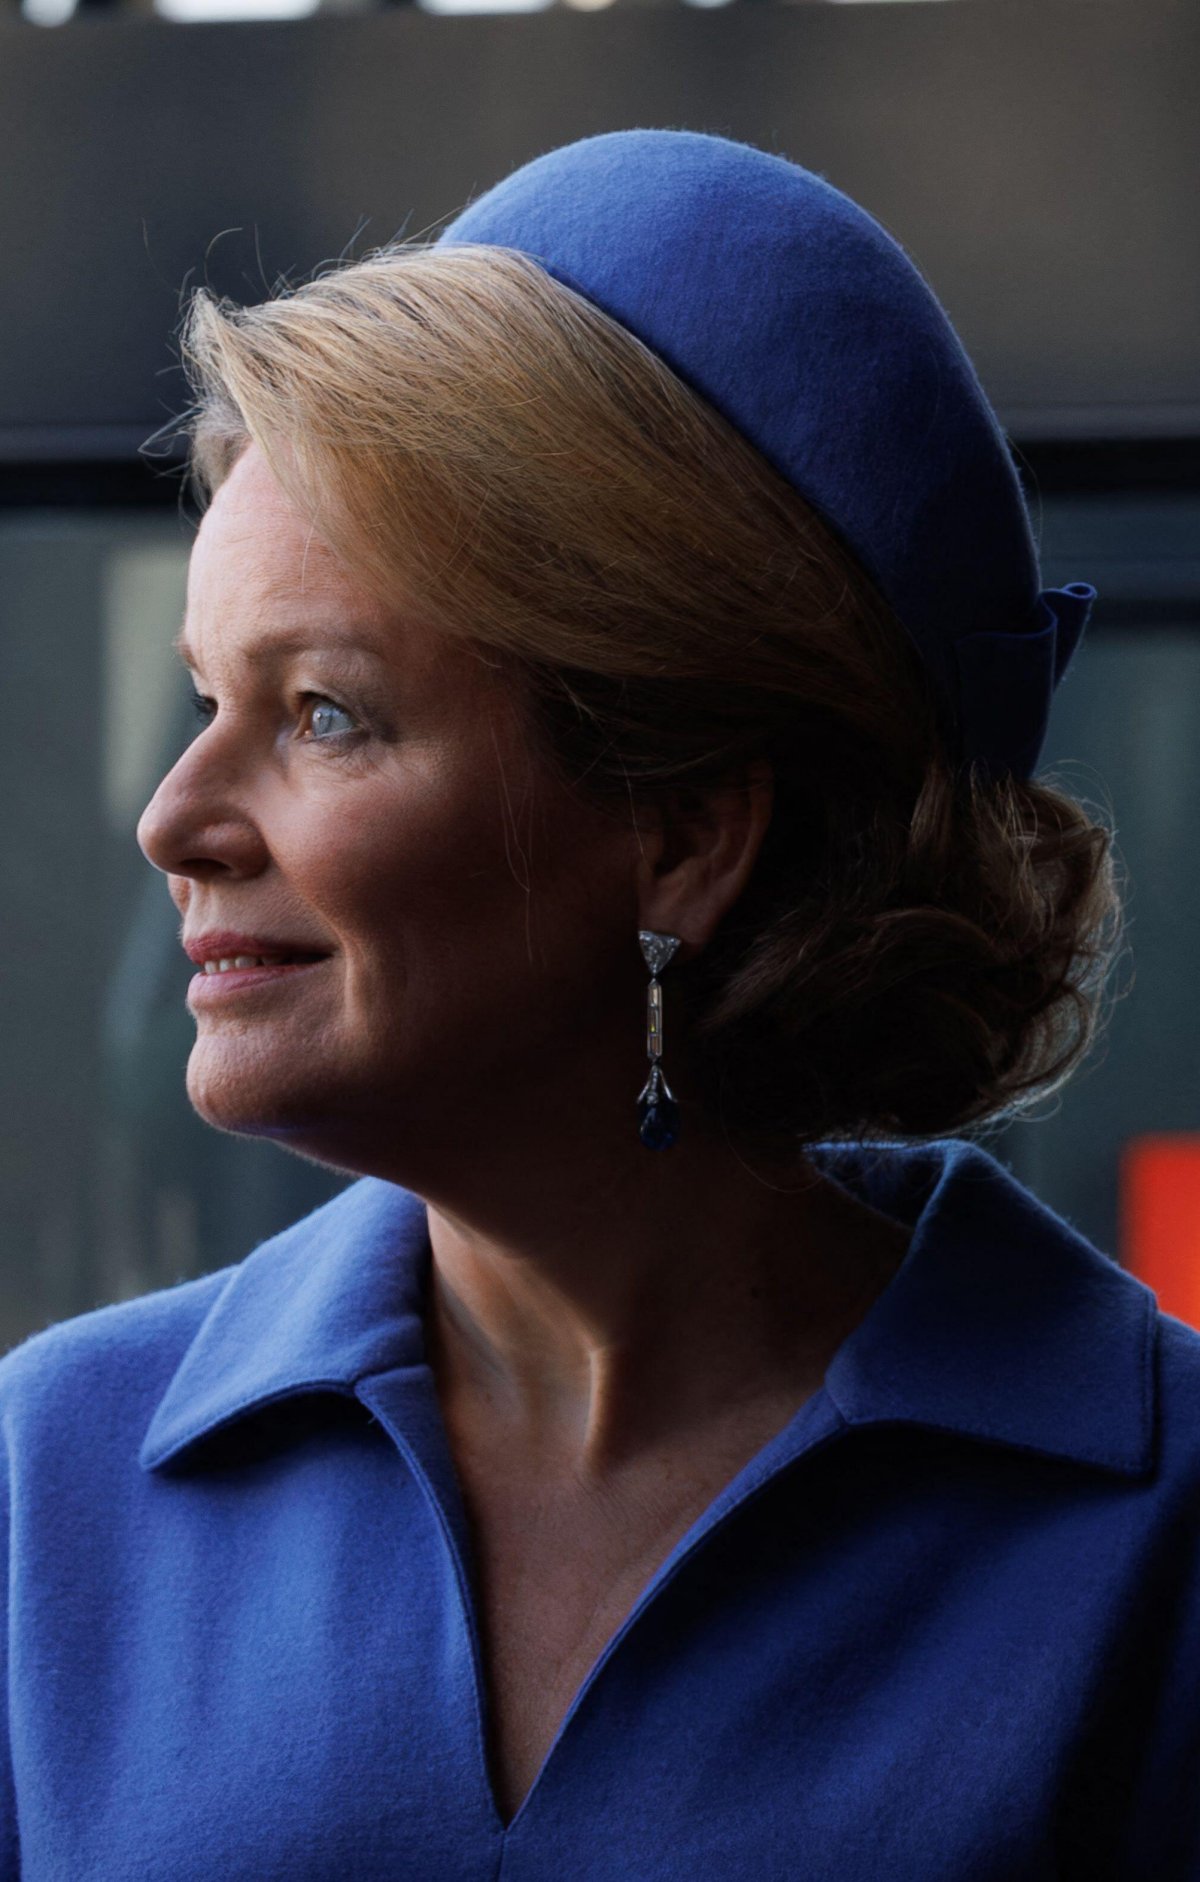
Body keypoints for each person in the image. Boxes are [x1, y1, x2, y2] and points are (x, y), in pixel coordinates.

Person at [1, 128, 1197, 1879]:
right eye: (204, 696)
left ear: (684, 832)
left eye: (322, 712)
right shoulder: (56, 1485)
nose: (174, 819)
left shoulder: (1155, 1545)